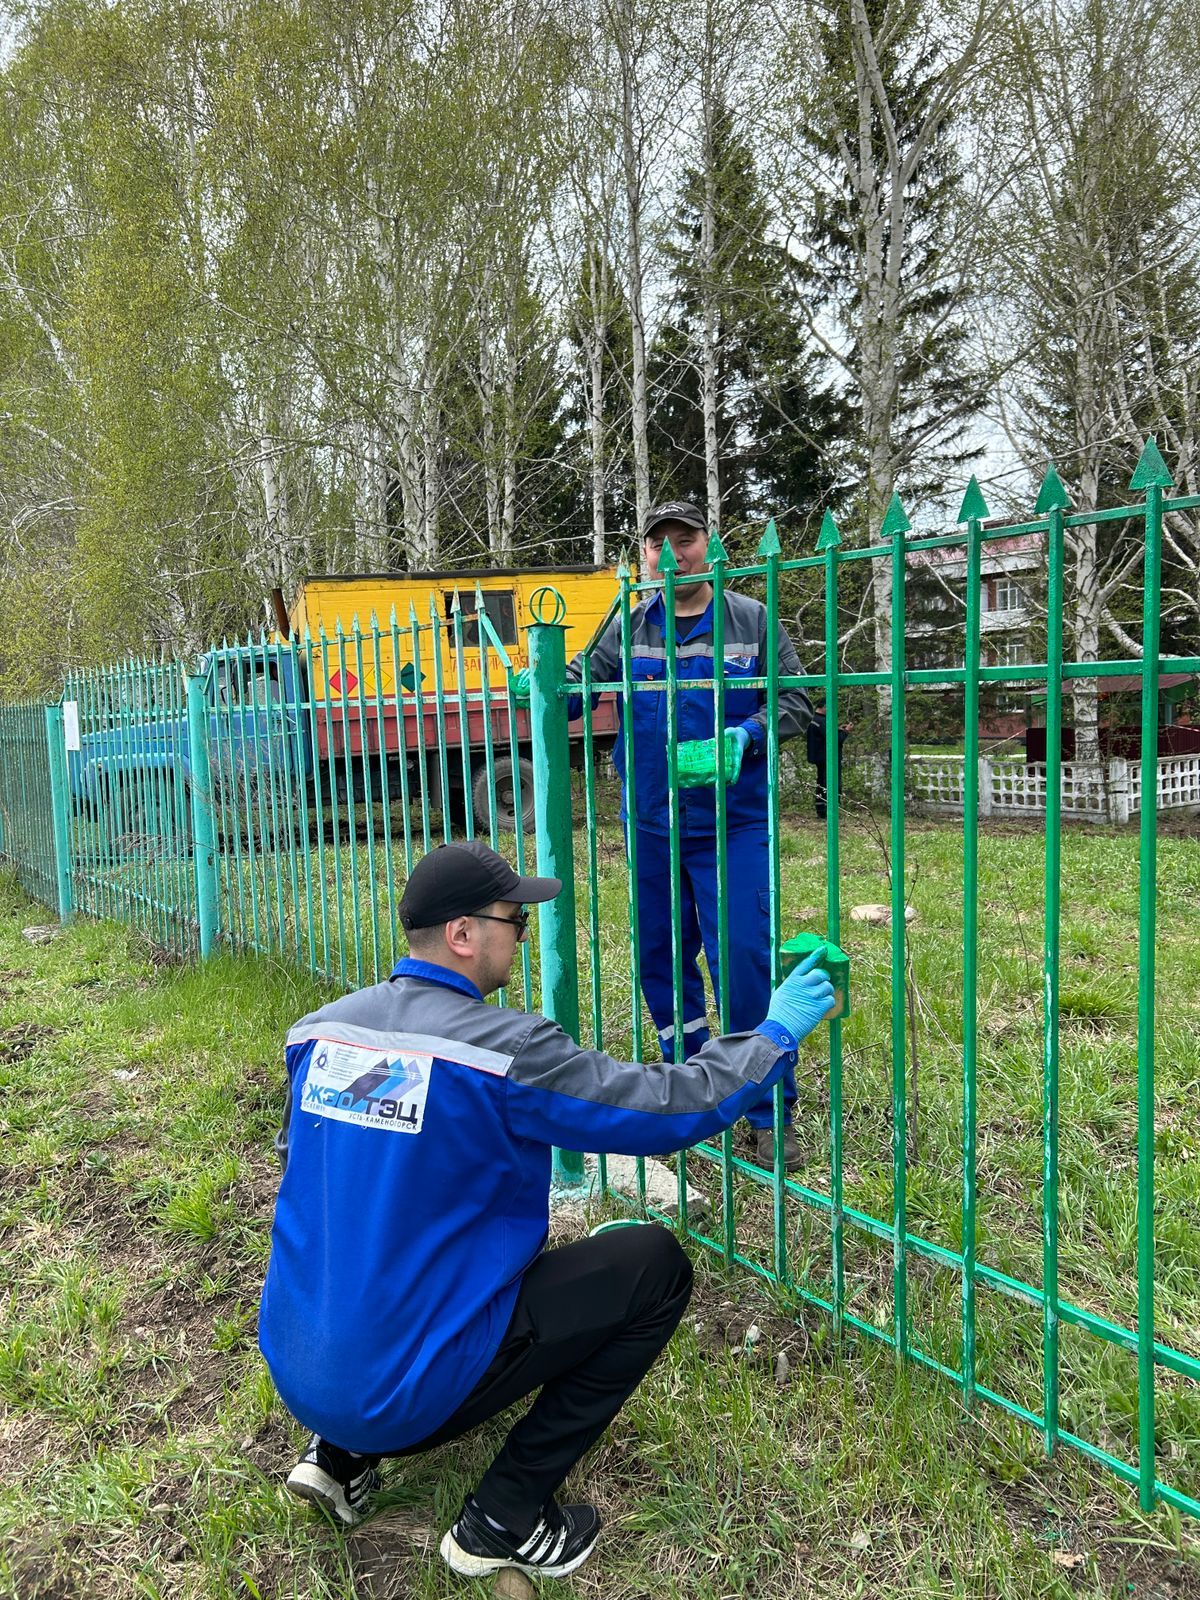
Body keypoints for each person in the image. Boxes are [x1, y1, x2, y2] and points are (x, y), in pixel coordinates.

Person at [260, 839, 834, 1583]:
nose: (521, 937)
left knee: (378, 1231)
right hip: (405, 1396)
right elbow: (666, 1107)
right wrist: (771, 1037)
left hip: (298, 1365)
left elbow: (304, 1171)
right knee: (651, 1267)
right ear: (464, 934)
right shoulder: (505, 1051)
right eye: (515, 921)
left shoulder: (319, 1032)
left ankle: (335, 1456)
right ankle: (506, 1515)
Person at [517, 501, 812, 1170]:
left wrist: (749, 734)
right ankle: (692, 1087)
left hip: (732, 825)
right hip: (652, 823)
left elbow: (795, 697)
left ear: (709, 546)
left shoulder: (751, 620)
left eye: (686, 540)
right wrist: (543, 680)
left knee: (743, 958)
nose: (673, 555)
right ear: (644, 556)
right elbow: (579, 687)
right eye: (660, 544)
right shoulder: (628, 623)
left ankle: (766, 1106)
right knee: (661, 957)